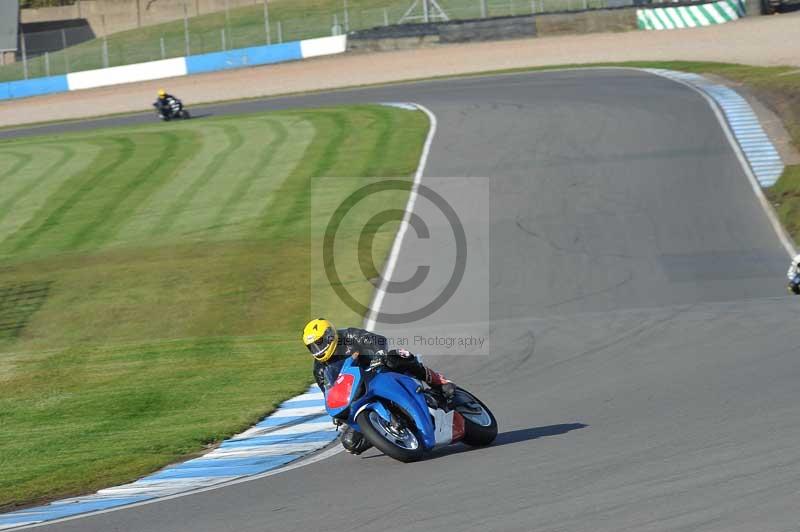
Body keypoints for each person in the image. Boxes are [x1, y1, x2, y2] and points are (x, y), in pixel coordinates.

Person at [302, 318, 455, 455]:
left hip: (378, 370)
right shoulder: (319, 369)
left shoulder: (348, 336)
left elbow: (376, 340)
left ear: (330, 335)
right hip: (358, 393)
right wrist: (336, 414)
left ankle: (439, 382)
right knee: (350, 442)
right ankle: (383, 433)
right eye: (312, 347)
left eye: (319, 343)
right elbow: (329, 393)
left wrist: (379, 354)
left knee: (398, 356)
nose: (317, 349)